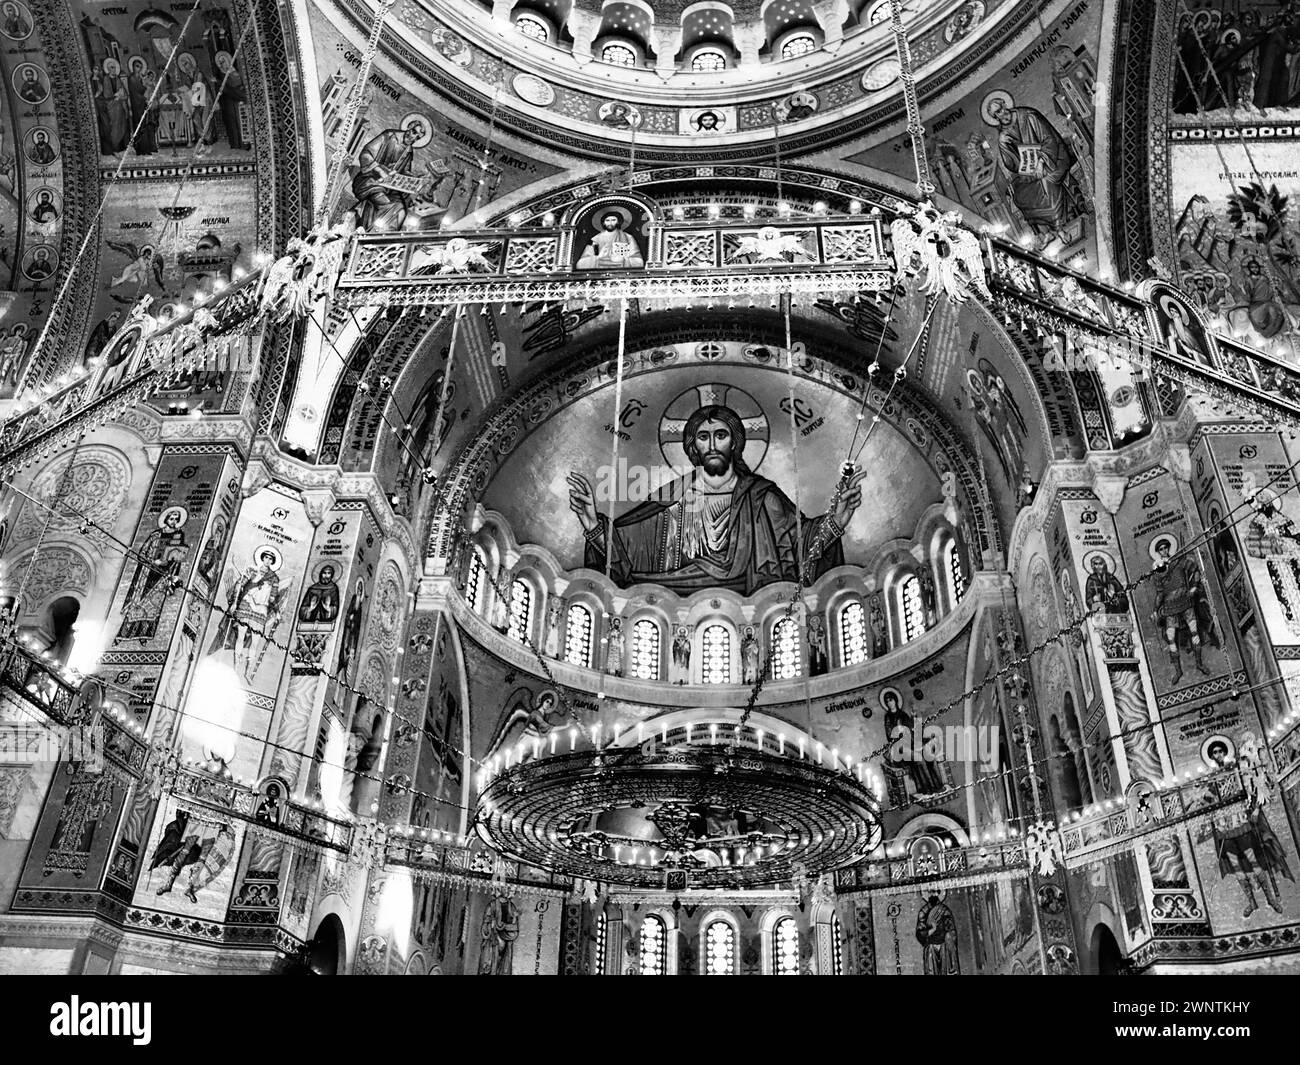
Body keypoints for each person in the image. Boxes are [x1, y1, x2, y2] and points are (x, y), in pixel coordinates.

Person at [568, 404, 864, 594]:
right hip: (672, 596)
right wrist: (594, 525)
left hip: (753, 600)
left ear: (734, 441)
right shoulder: (673, 495)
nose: (711, 445)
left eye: (720, 435)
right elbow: (627, 546)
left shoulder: (760, 494)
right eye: (703, 437)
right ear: (692, 446)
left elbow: (800, 542)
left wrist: (835, 522)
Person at [982, 89, 1085, 243]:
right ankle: (1044, 232)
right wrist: (1005, 145)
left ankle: (1059, 229)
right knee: (1020, 193)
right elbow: (1010, 163)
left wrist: (1041, 161)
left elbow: (1049, 139)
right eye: (996, 114)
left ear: (1005, 105)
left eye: (1001, 109)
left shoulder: (1029, 115)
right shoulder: (1004, 134)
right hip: (1033, 166)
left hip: (1054, 157)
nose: (1001, 115)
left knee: (1046, 183)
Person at [209, 548, 289, 682]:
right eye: (266, 558)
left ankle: (247, 672)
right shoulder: (252, 570)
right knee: (240, 637)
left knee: (255, 642)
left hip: (261, 609)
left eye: (270, 559)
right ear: (262, 558)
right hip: (246, 604)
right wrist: (235, 598)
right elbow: (240, 586)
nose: (268, 560)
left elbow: (273, 596)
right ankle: (235, 667)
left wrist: (276, 610)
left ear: (272, 562)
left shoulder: (274, 578)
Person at [1150, 536, 1215, 683]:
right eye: (1161, 549)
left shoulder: (1179, 562)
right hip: (1170, 607)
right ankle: (1178, 671)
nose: (1164, 550)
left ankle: (1199, 664)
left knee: (1194, 632)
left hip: (1185, 601)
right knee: (1171, 637)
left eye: (1166, 547)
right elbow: (1160, 594)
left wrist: (1193, 586)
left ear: (1169, 548)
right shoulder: (1157, 572)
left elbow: (1195, 570)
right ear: (1158, 553)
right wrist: (1155, 610)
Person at [118, 507, 189, 640]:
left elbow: (179, 555)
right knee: (138, 604)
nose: (173, 521)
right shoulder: (155, 535)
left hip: (163, 575)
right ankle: (126, 634)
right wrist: (153, 562)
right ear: (166, 519)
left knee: (154, 607)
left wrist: (171, 567)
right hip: (146, 575)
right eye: (171, 518)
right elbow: (142, 554)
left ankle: (144, 635)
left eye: (176, 519)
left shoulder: (178, 536)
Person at [576, 211, 645, 269]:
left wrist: (623, 259)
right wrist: (597, 258)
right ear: (603, 223)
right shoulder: (595, 239)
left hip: (621, 271)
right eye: (607, 220)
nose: (610, 223)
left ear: (618, 222)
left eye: (613, 220)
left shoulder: (628, 238)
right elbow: (581, 264)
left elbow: (639, 262)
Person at [916, 894, 960, 974]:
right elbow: (920, 933)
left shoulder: (944, 910)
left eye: (935, 892)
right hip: (931, 946)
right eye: (931, 892)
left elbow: (951, 929)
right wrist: (932, 930)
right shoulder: (923, 912)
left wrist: (948, 937)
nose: (933, 894)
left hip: (944, 945)